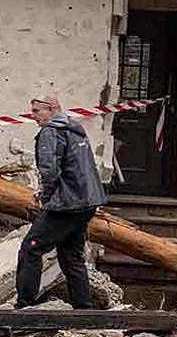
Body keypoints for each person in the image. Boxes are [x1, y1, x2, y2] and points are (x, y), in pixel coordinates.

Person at [16, 94, 108, 309]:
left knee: (31, 248)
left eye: (37, 111)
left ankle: (24, 305)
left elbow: (49, 170)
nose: (33, 116)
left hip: (66, 204)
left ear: (51, 109)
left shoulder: (51, 132)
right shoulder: (74, 129)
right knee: (71, 255)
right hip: (87, 202)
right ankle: (83, 308)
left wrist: (46, 198)